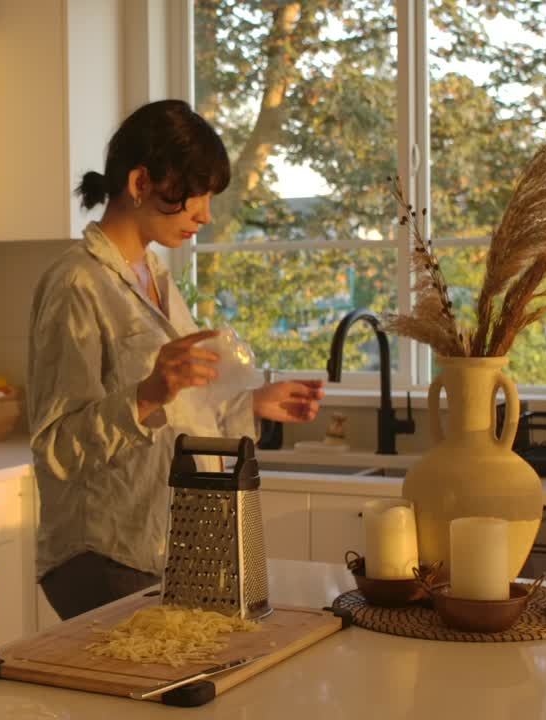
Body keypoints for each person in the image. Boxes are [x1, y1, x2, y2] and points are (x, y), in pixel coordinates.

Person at [27, 99, 325, 620]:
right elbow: (56, 446)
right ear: (141, 183)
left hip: (163, 547)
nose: (205, 215)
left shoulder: (156, 277)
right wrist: (146, 394)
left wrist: (254, 403)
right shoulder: (77, 284)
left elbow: (179, 411)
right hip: (102, 555)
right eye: (194, 194)